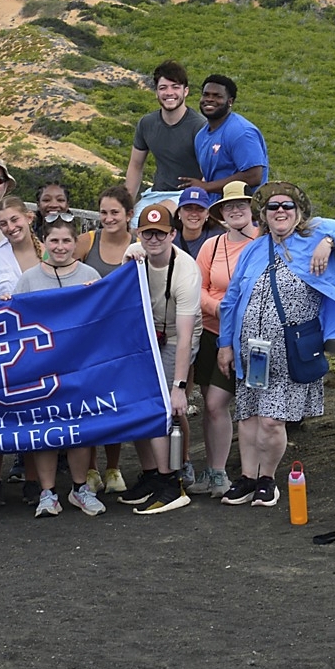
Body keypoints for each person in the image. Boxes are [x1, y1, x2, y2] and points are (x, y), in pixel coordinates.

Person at [217, 182, 335, 507]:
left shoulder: (313, 235)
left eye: (287, 206)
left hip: (290, 350)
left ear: (298, 211)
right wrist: (225, 344)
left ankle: (266, 479)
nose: (280, 212)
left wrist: (329, 242)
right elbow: (231, 300)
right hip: (252, 350)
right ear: (264, 215)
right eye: (273, 207)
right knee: (248, 416)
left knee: (272, 420)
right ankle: (247, 478)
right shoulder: (253, 250)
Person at [11, 217, 106, 517]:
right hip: (41, 369)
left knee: (78, 430)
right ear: (44, 243)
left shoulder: (90, 275)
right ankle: (48, 492)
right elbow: (14, 320)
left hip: (80, 368)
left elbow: (104, 316)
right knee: (46, 431)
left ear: (75, 243)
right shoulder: (28, 279)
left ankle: (80, 489)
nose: (60, 247)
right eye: (54, 241)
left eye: (66, 241)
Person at [119, 203, 202, 515]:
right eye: (147, 234)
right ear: (139, 234)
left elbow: (183, 337)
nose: (154, 240)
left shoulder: (186, 272)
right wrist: (128, 260)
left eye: (161, 234)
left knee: (160, 404)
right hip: (146, 334)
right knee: (137, 404)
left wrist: (179, 386)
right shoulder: (134, 254)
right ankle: (152, 472)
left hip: (178, 336)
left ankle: (171, 481)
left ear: (173, 235)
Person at [0, 195, 44, 503]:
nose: (10, 227)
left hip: (39, 348)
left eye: (15, 220)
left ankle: (31, 481)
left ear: (28, 217)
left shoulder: (49, 253)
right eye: (3, 224)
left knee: (32, 416)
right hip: (0, 347)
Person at [191, 182, 259, 499]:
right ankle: (216, 471)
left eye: (241, 205)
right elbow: (198, 286)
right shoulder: (212, 246)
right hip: (212, 332)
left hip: (249, 338)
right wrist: (218, 308)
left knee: (228, 405)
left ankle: (253, 475)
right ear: (220, 212)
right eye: (229, 206)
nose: (235, 210)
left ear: (252, 209)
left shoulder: (264, 243)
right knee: (211, 405)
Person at [73, 184, 136, 493]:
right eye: (103, 212)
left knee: (116, 404)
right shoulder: (87, 241)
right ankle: (91, 469)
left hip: (124, 336)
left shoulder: (139, 244)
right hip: (88, 337)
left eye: (115, 212)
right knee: (88, 403)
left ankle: (113, 467)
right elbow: (62, 270)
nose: (108, 218)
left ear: (128, 215)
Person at [124, 60, 206, 222]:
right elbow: (135, 165)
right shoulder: (147, 124)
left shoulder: (200, 127)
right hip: (156, 193)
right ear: (156, 92)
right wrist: (125, 205)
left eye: (175, 87)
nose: (169, 93)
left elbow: (209, 172)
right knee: (131, 224)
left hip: (187, 196)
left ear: (186, 91)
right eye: (163, 88)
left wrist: (196, 199)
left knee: (156, 217)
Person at [186, 74, 269, 205]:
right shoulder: (201, 136)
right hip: (215, 208)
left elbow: (253, 176)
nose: (209, 99)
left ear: (230, 101)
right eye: (206, 95)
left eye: (217, 96)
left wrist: (206, 186)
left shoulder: (241, 132)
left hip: (244, 210)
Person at [173, 185, 224, 259]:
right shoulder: (169, 237)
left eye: (200, 209)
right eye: (188, 208)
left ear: (207, 214)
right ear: (179, 212)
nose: (194, 214)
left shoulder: (219, 238)